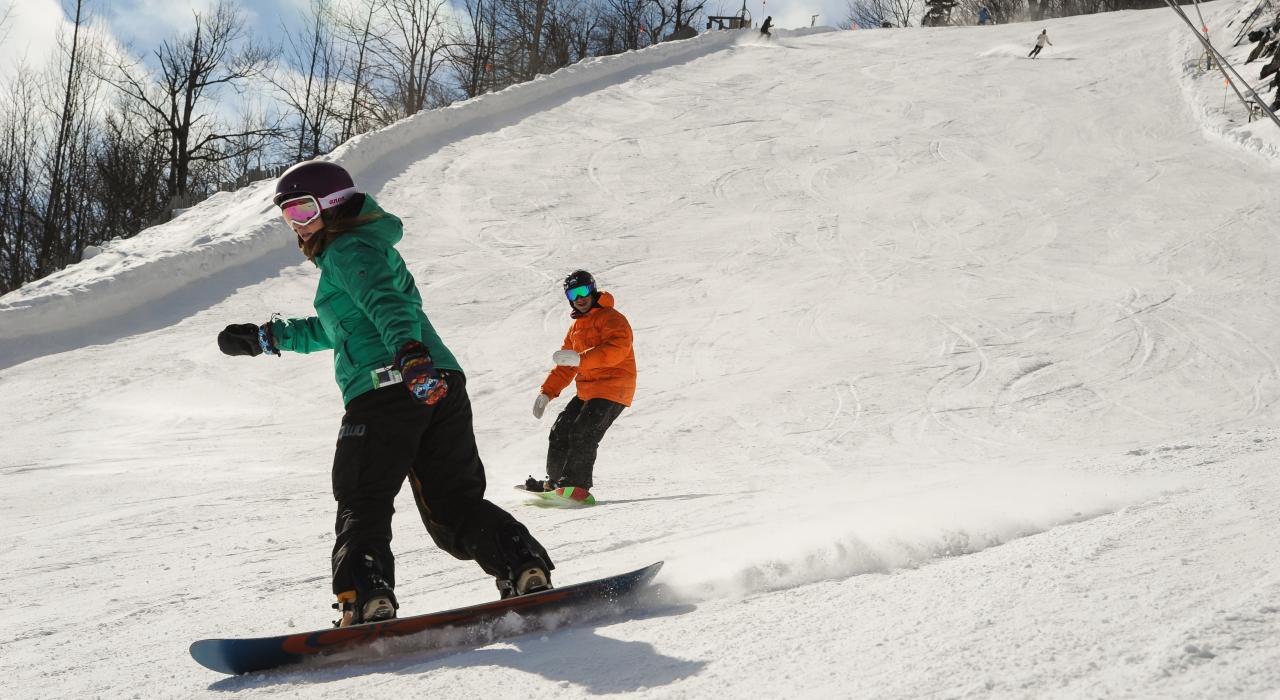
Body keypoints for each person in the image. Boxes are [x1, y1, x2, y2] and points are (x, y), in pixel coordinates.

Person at [217, 160, 554, 626]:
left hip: (389, 384)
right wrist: (270, 338)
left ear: (333, 206)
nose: (296, 225)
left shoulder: (348, 249)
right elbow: (341, 327)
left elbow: (385, 302)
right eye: (287, 216)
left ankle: (365, 596)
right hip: (437, 383)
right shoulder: (360, 249)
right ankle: (523, 566)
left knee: (362, 498)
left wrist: (409, 356)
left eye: (301, 210)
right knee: (453, 502)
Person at [526, 270, 636, 504]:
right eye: (573, 293)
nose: (579, 298)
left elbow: (617, 350)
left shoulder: (612, 318)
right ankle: (556, 483)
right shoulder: (575, 328)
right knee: (560, 430)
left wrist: (581, 360)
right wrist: (546, 393)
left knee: (584, 432)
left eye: (583, 291)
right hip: (588, 390)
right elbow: (566, 366)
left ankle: (576, 486)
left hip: (614, 387)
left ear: (593, 290)